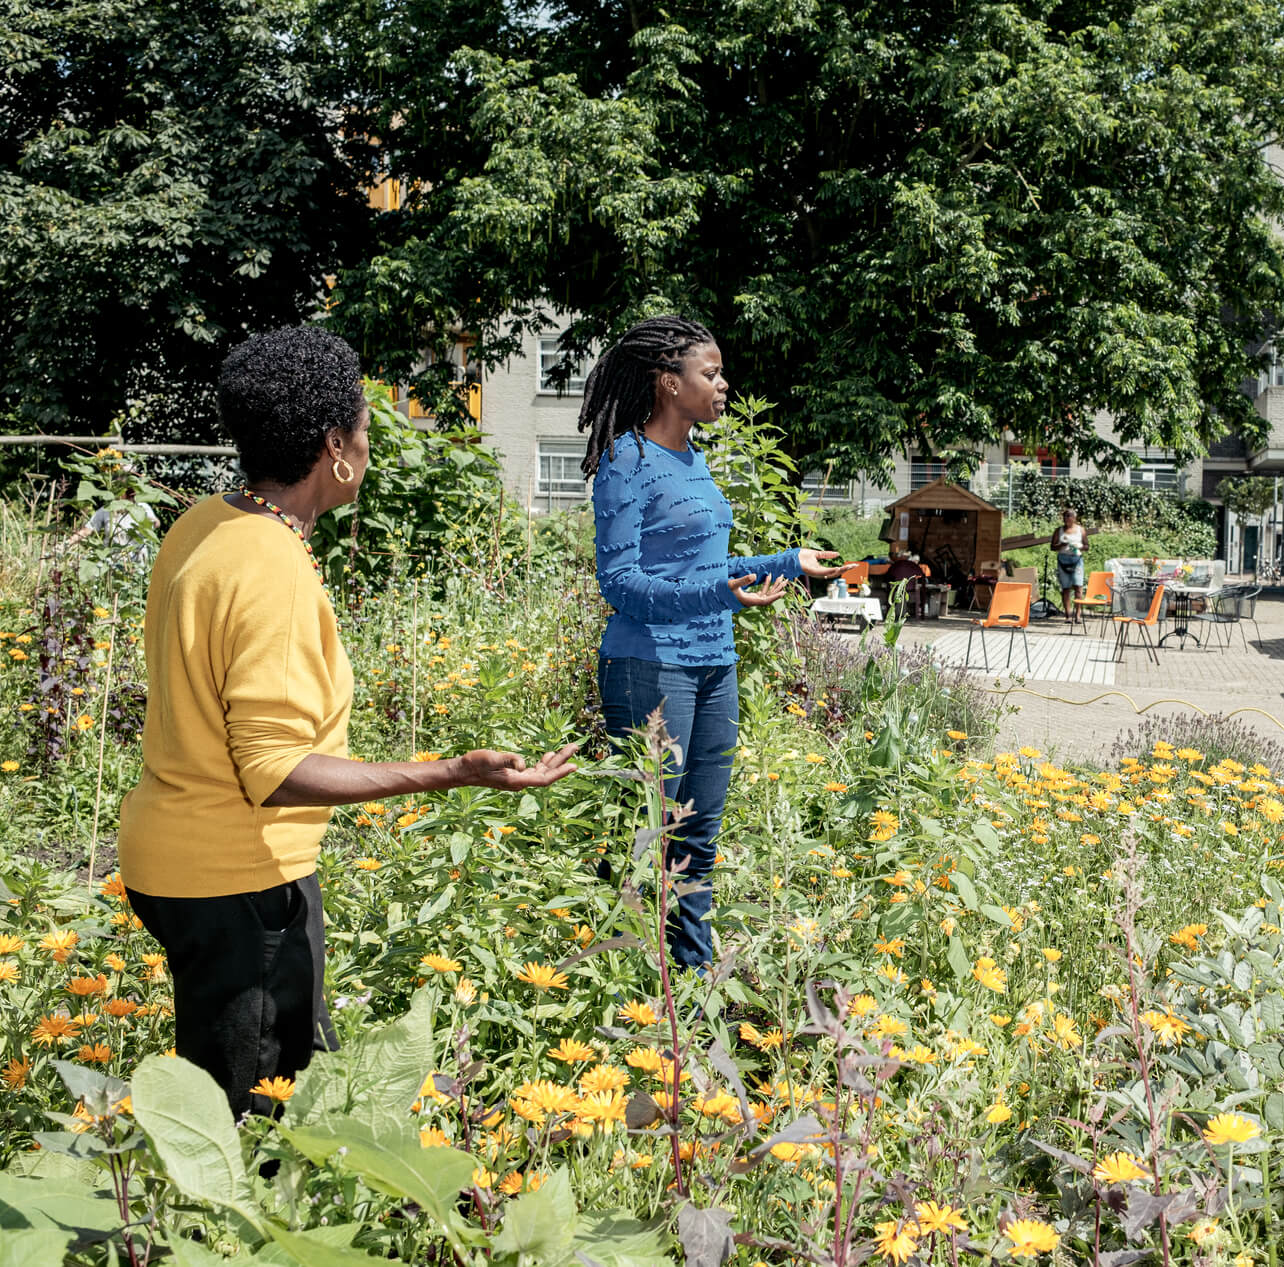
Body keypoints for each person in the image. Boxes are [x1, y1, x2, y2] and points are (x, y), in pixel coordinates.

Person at [118, 327, 579, 1118]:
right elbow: (275, 770)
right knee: (250, 1127)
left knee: (275, 1082)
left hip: (171, 859)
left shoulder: (204, 523)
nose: (370, 443)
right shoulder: (271, 565)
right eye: (365, 427)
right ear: (335, 445)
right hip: (238, 882)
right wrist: (451, 771)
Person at [579, 315, 844, 968]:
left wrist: (788, 561)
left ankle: (692, 986)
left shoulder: (695, 461)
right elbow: (621, 583)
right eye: (710, 372)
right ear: (668, 383)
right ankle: (635, 989)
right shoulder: (626, 462)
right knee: (652, 834)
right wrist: (721, 596)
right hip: (650, 667)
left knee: (700, 834)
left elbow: (702, 571)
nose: (723, 384)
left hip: (712, 663)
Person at [1049, 507, 1089, 624]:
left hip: (1077, 559)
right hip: (1063, 560)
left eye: (1069, 516)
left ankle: (1078, 615)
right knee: (1065, 588)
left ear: (1074, 518)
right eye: (1065, 517)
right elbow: (1052, 547)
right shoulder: (1059, 531)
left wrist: (1079, 546)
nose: (1066, 519)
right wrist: (1061, 544)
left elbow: (1087, 546)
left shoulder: (1080, 530)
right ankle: (1067, 615)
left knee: (1078, 586)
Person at [883, 546, 926, 617]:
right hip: (912, 587)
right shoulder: (914, 566)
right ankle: (921, 614)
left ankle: (889, 613)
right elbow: (922, 576)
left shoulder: (896, 566)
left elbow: (888, 576)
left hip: (897, 587)